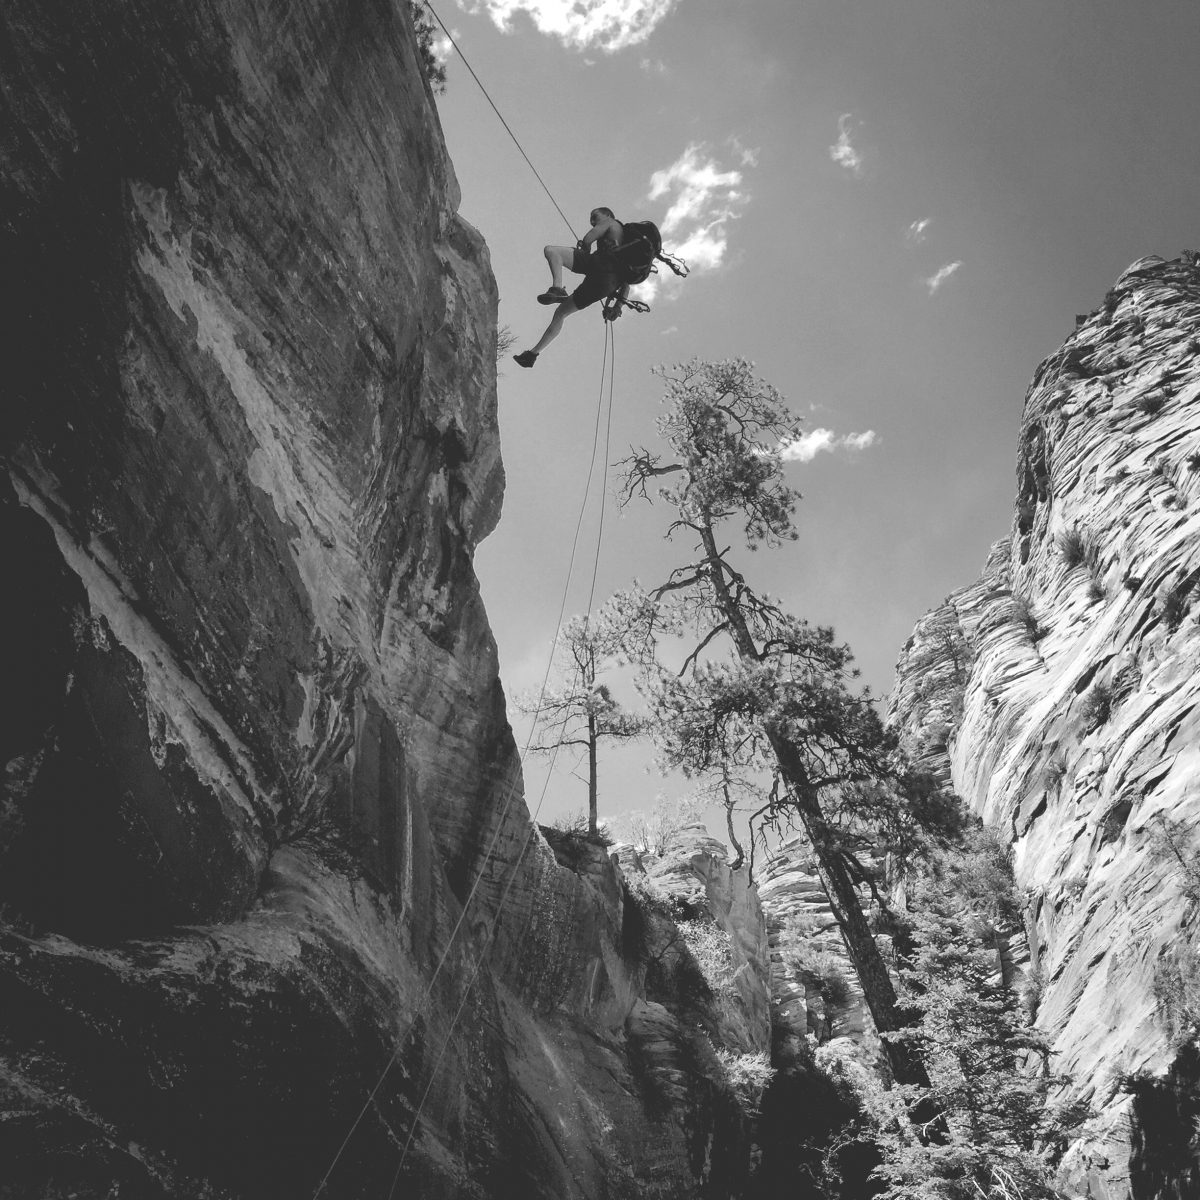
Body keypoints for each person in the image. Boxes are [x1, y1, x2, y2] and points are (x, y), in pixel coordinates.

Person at [513, 207, 629, 369]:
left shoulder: (610, 222)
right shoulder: (626, 248)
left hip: (599, 265)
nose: (593, 221)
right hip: (608, 284)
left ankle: (557, 288)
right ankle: (532, 355)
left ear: (607, 214)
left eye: (595, 217)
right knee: (561, 313)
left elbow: (588, 239)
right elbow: (627, 285)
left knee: (552, 251)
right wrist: (616, 308)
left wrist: (584, 249)